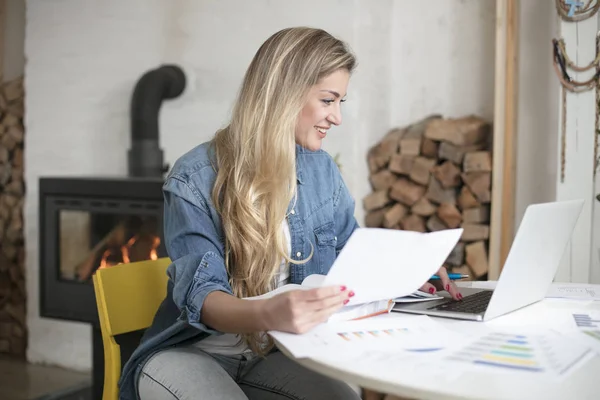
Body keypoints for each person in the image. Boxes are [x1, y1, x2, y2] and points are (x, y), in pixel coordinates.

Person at [118, 26, 462, 400]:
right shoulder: (195, 176)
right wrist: (270, 312)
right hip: (191, 352)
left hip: (270, 352)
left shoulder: (321, 171)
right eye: (328, 100)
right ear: (285, 93)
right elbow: (204, 298)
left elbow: (352, 252)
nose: (337, 118)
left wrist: (408, 271)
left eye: (340, 102)